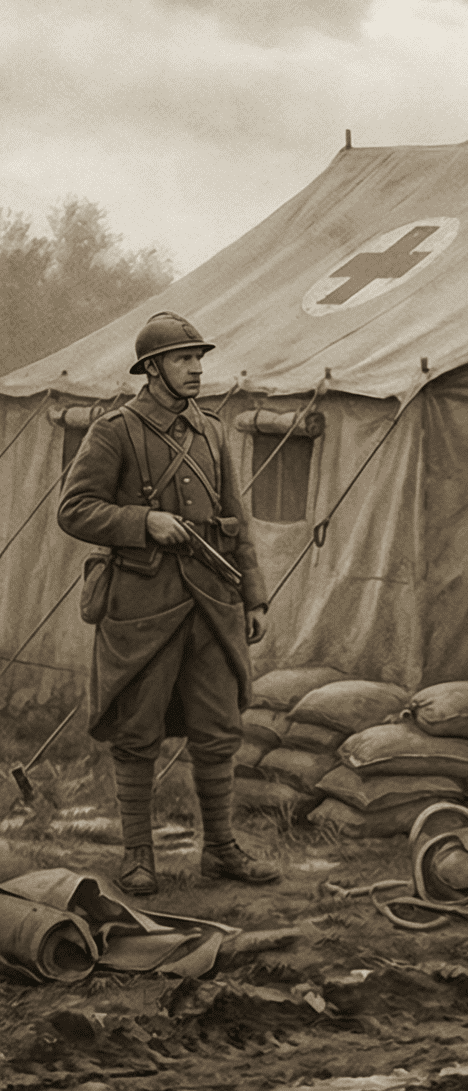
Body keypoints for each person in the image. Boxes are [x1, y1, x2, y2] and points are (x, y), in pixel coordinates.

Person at [57, 313, 279, 895]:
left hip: (211, 603)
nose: (198, 368)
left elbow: (237, 520)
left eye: (199, 358)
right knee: (137, 731)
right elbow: (74, 509)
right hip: (140, 607)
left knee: (218, 728)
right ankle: (137, 856)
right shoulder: (115, 431)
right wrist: (143, 520)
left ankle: (222, 850)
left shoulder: (212, 431)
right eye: (184, 359)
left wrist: (253, 596)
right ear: (152, 368)